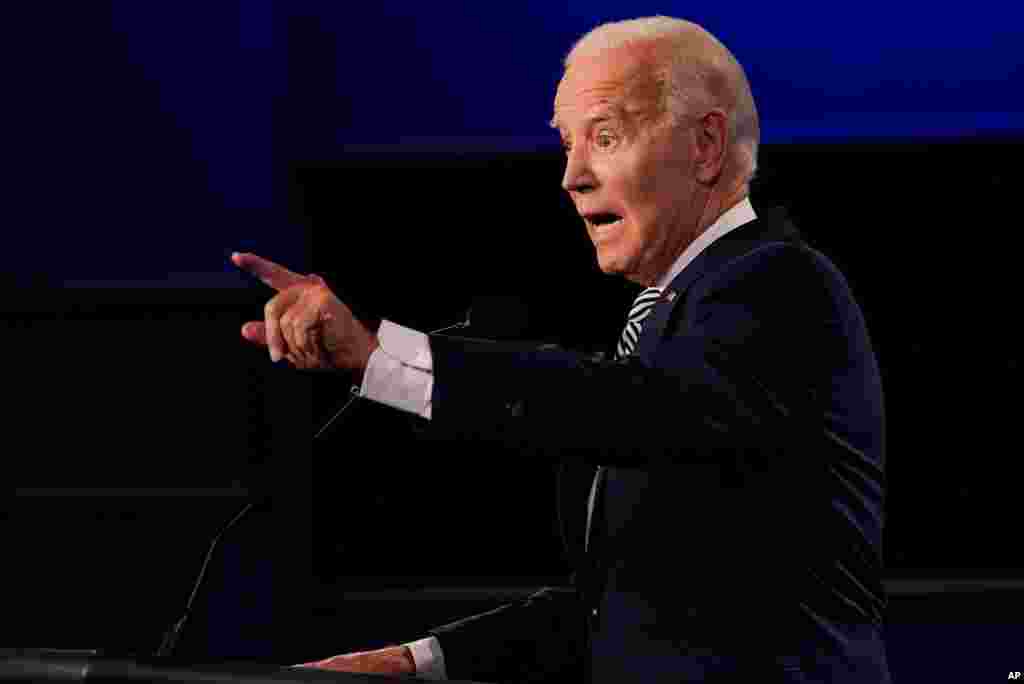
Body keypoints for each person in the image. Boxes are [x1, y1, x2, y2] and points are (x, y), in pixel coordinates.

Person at [232, 16, 890, 683]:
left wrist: (379, 357)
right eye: (569, 144)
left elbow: (613, 405)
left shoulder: (780, 284)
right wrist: (417, 661)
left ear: (706, 146)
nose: (572, 175)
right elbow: (623, 615)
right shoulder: (672, 318)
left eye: (605, 136)